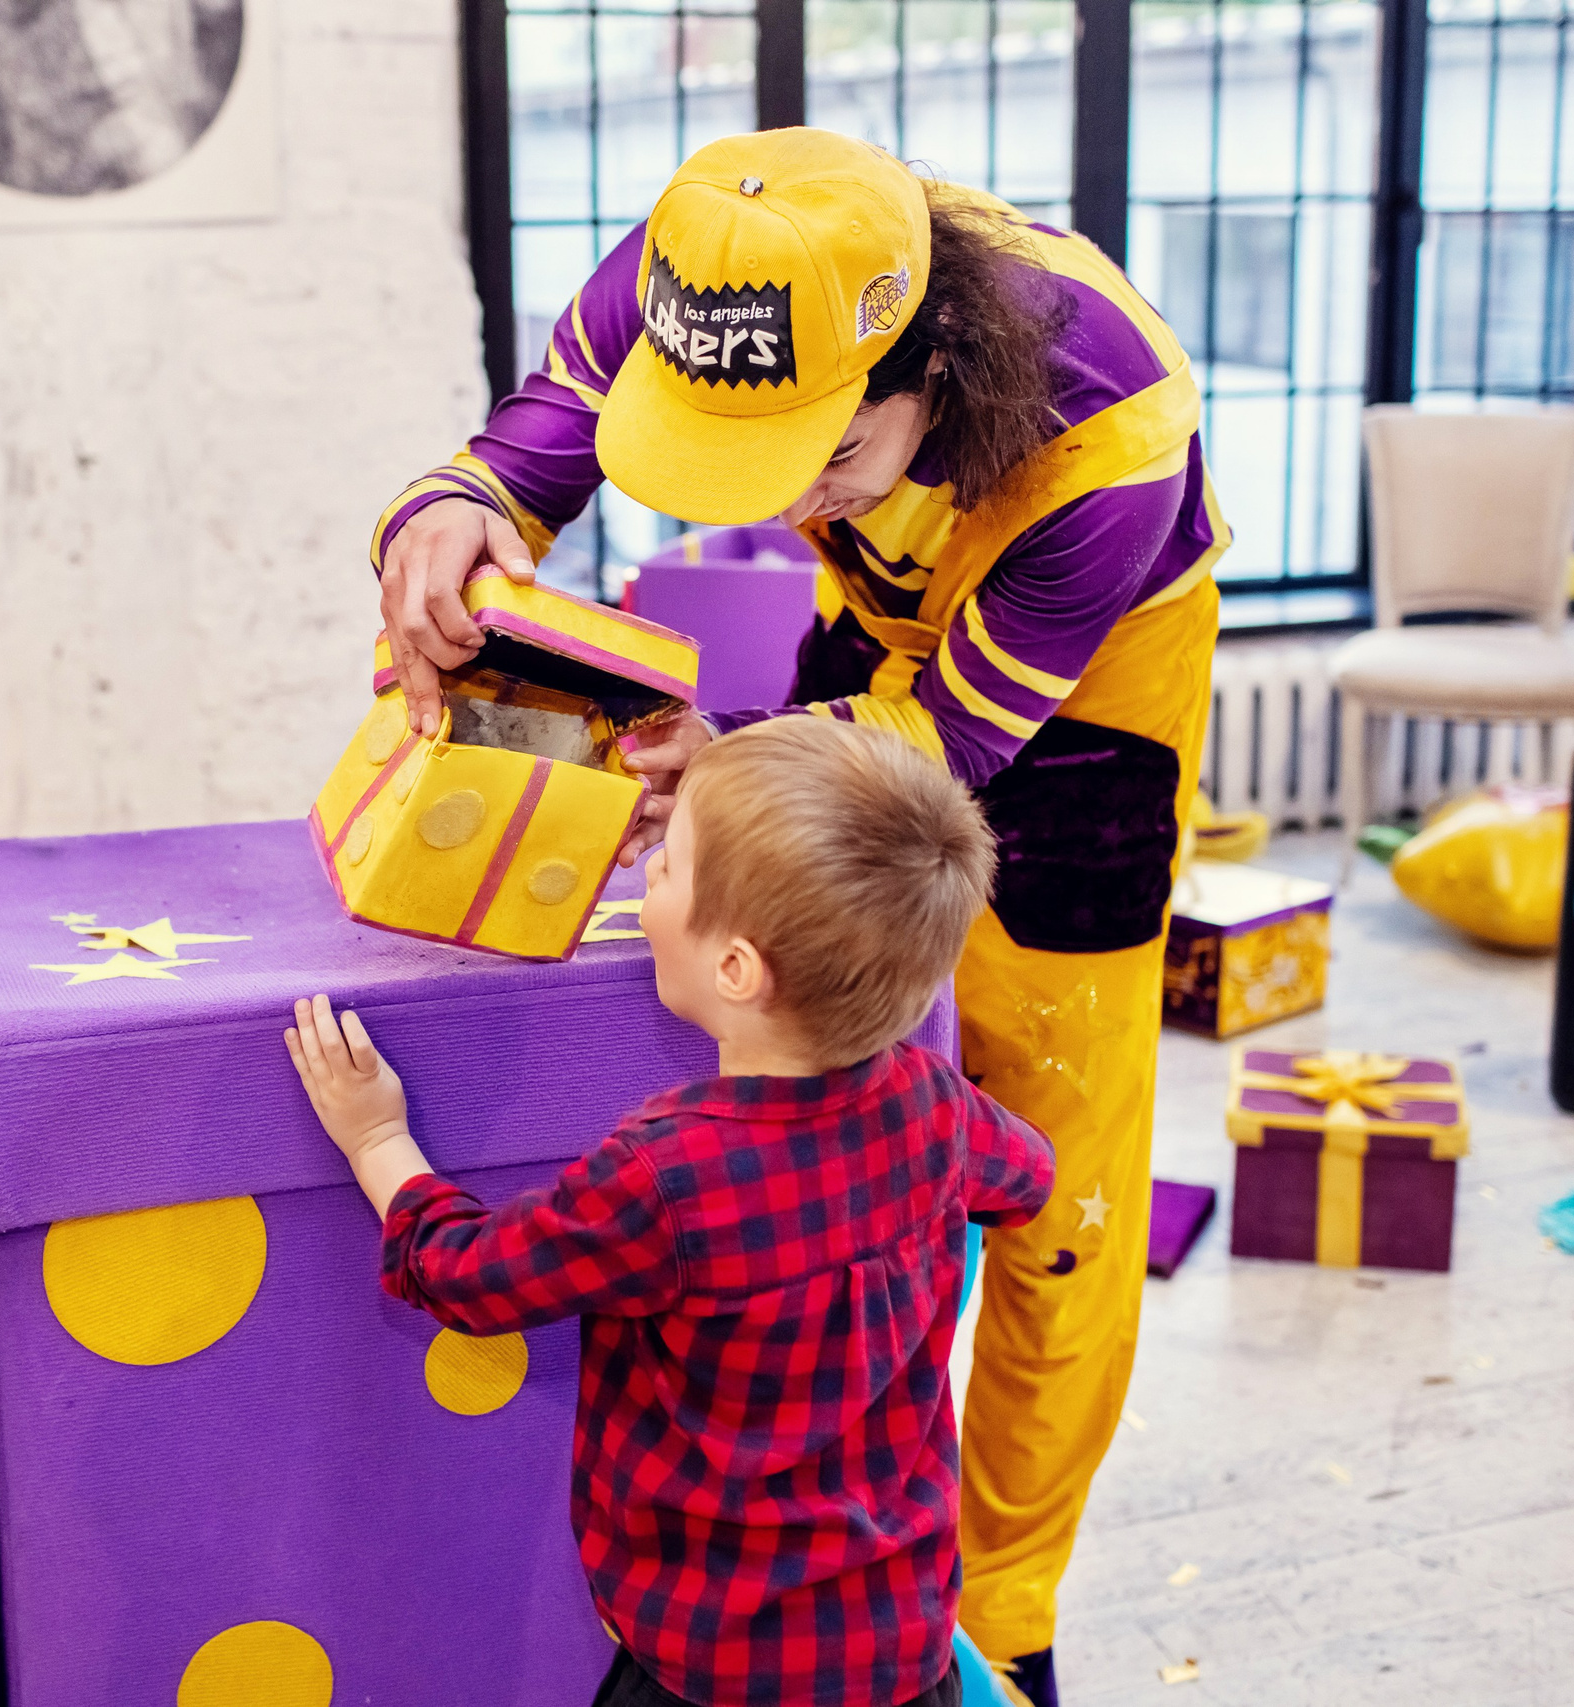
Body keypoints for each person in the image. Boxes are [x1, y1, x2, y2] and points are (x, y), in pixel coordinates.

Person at [365, 128, 1226, 1705]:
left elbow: (948, 746)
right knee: (844, 1064)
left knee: (1062, 1178)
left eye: (812, 465)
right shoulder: (714, 263)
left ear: (936, 366)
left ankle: (1008, 1599)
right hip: (880, 627)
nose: (774, 506)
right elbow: (534, 443)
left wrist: (742, 766)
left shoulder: (1114, 441)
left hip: (1082, 702)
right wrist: (451, 510)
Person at [286, 717, 1055, 1707]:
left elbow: (469, 1276)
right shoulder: (936, 1107)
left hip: (716, 1663)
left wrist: (375, 1141)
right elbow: (1025, 1180)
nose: (643, 881)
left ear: (736, 969)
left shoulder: (665, 1177)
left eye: (667, 867)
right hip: (897, 1646)